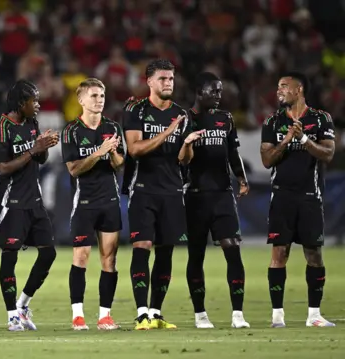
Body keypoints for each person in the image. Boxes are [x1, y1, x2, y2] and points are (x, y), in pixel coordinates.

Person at [122, 59, 203, 330]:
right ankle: (141, 312)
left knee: (165, 252)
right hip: (143, 190)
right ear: (149, 82)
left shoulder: (182, 114)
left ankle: (156, 313)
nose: (168, 83)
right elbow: (134, 149)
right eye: (162, 79)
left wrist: (188, 145)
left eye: (171, 79)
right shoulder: (136, 109)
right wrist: (168, 132)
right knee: (142, 247)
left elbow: (184, 159)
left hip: (171, 191)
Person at [260, 72, 336, 328]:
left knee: (314, 254)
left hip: (310, 196)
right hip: (281, 195)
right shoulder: (272, 121)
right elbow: (267, 160)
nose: (278, 90)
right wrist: (288, 139)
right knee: (279, 253)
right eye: (278, 86)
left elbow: (327, 154)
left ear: (299, 89)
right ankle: (277, 316)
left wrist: (304, 138)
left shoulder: (320, 118)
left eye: (284, 86)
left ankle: (314, 315)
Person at [184, 72, 250, 329]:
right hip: (196, 196)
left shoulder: (225, 119)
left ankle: (238, 314)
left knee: (232, 247)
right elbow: (182, 158)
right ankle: (200, 314)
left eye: (220, 91)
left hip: (223, 194)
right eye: (215, 91)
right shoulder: (187, 120)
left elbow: (233, 152)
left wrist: (242, 179)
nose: (220, 96)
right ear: (200, 92)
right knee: (196, 255)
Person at [0, 80, 59, 331]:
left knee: (49, 253)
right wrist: (34, 149)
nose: (39, 105)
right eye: (35, 101)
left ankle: (22, 304)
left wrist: (44, 146)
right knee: (9, 258)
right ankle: (11, 315)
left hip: (35, 199)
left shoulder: (31, 123)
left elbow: (39, 159)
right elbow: (3, 167)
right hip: (12, 201)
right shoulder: (2, 127)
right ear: (22, 104)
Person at [60, 78, 124, 330]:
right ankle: (78, 315)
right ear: (81, 100)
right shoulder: (71, 131)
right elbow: (74, 170)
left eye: (102, 96)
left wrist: (112, 152)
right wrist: (99, 152)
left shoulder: (113, 127)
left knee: (109, 259)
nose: (99, 100)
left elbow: (120, 166)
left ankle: (105, 316)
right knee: (82, 256)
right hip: (84, 202)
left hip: (109, 200)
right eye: (94, 96)